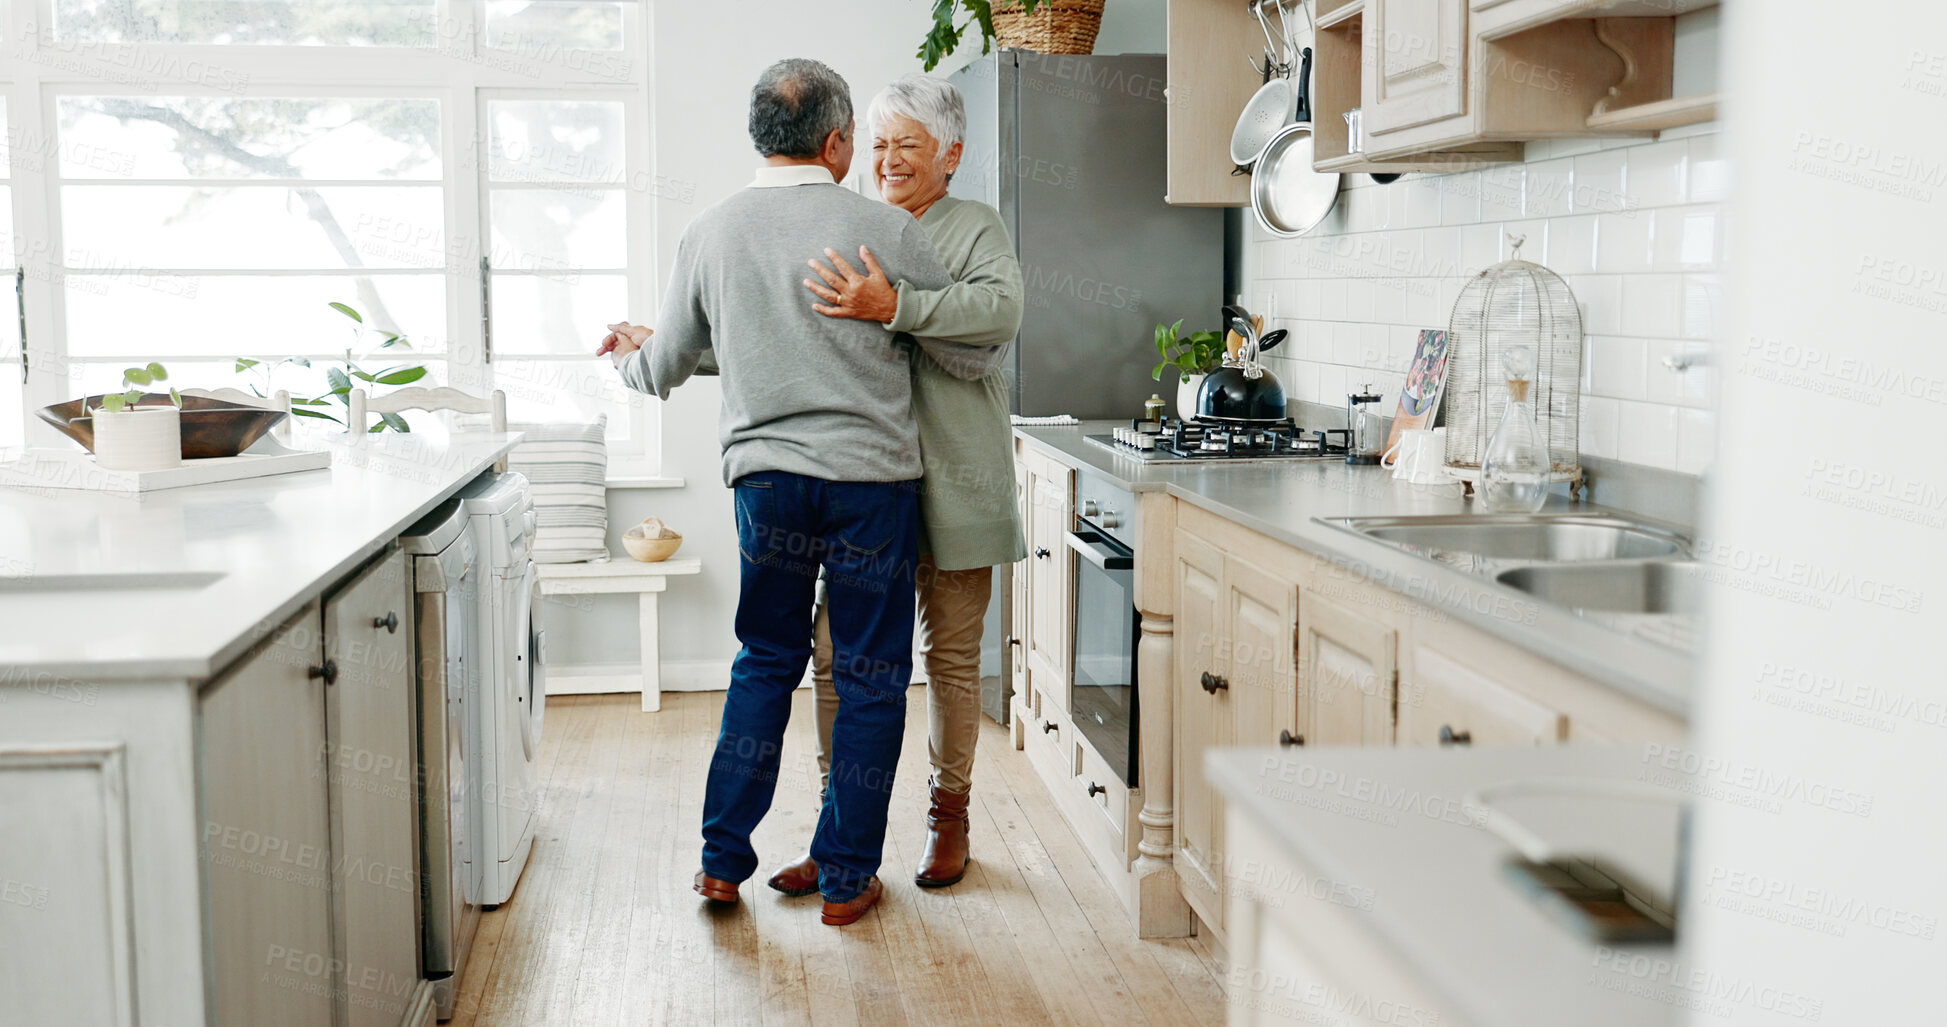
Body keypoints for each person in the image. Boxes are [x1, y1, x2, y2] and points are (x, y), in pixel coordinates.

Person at [599, 58, 1001, 926]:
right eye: (860, 137)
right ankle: (850, 876)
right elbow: (968, 356)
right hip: (872, 488)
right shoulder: (880, 229)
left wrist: (630, 354)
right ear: (834, 142)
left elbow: (664, 367)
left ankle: (719, 863)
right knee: (869, 677)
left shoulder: (709, 233)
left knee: (765, 663)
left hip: (767, 486)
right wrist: (892, 314)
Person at [764, 73, 1026, 896]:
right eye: (877, 144)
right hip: (864, 486)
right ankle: (837, 831)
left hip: (955, 481)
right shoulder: (854, 226)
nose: (888, 160)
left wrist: (898, 304)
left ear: (949, 154)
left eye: (907, 145)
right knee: (835, 658)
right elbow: (788, 332)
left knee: (949, 661)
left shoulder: (973, 226)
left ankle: (949, 815)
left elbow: (998, 312)